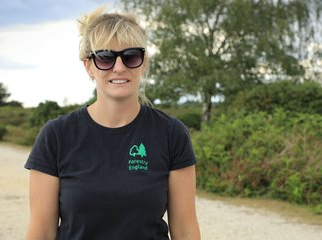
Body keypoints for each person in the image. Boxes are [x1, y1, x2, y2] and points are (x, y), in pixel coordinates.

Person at [25, 6, 200, 240]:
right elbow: (42, 231)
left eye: (131, 56)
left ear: (143, 62)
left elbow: (185, 229)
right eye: (105, 58)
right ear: (89, 66)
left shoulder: (171, 133)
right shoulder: (57, 135)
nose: (119, 67)